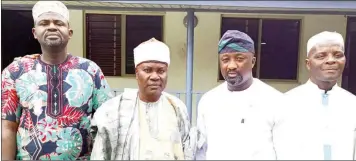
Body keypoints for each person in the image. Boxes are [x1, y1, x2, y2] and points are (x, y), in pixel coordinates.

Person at [1, 1, 113, 160]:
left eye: (59, 23)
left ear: (70, 32)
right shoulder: (14, 72)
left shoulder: (90, 70)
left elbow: (107, 123)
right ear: (34, 32)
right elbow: (7, 128)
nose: (52, 27)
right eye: (44, 23)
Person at [195, 30, 284, 160]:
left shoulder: (275, 100)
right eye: (225, 59)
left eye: (239, 59)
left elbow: (284, 151)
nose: (231, 66)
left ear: (253, 61)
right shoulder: (208, 101)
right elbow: (202, 151)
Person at [276, 31, 356, 160]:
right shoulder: (285, 103)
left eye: (338, 55)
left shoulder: (352, 103)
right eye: (321, 56)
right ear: (308, 64)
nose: (331, 60)